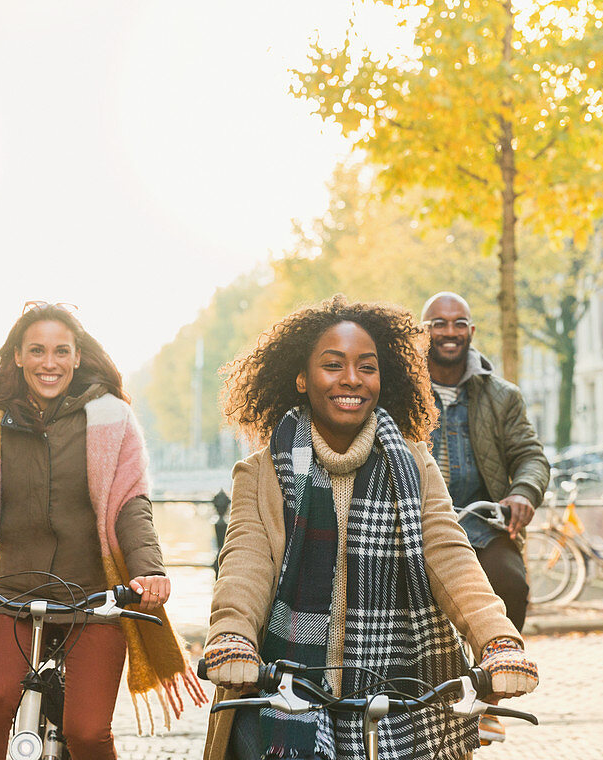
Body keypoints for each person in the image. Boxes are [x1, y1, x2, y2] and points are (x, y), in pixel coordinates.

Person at [203, 295, 538, 760]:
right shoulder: (262, 472)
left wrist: (497, 641)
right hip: (288, 693)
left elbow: (450, 557)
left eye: (367, 366)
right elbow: (245, 562)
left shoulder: (415, 465)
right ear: (301, 378)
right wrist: (232, 635)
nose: (351, 379)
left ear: (385, 378)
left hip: (396, 697)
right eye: (332, 364)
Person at [0, 302, 205, 760]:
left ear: (78, 356)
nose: (49, 362)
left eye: (61, 351)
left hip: (94, 601)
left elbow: (130, 507)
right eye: (37, 351)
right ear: (18, 356)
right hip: (12, 596)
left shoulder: (111, 420)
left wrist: (149, 571)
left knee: (86, 732)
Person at [419, 292, 550, 632]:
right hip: (415, 528)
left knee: (512, 586)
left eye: (459, 323)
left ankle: (498, 675)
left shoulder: (502, 396)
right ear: (423, 332)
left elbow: (530, 455)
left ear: (471, 331)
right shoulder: (400, 393)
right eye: (439, 324)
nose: (450, 331)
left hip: (482, 525)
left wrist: (523, 492)